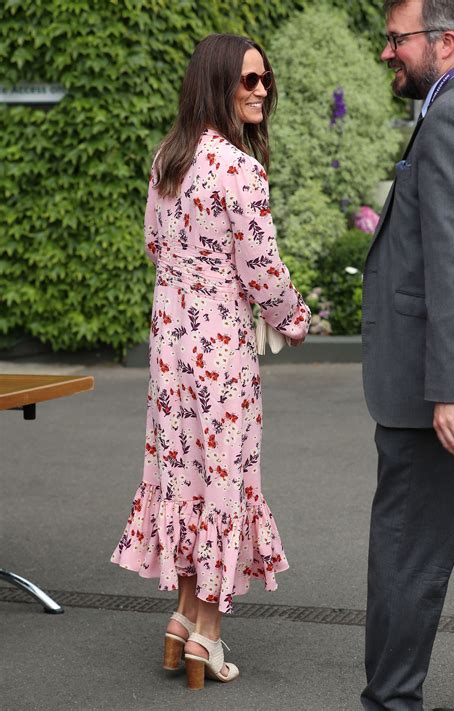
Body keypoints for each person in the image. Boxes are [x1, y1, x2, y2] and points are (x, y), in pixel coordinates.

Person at [111, 33, 310, 690]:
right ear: (217, 83)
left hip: (170, 352)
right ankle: (208, 637)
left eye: (264, 80)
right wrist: (295, 317)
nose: (261, 91)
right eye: (248, 80)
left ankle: (182, 617)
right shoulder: (240, 171)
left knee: (185, 479)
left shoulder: (169, 157)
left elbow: (149, 242)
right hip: (221, 353)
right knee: (223, 484)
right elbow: (262, 270)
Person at [360, 1, 454, 709]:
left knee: (405, 563)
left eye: (395, 39)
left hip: (442, 403)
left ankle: (391, 704)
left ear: (445, 41)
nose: (385, 53)